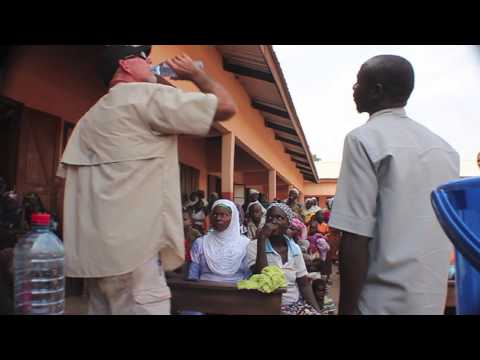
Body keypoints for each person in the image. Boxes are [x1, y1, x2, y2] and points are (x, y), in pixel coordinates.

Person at [56, 45, 237, 315]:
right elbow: (226, 107)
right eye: (143, 57)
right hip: (135, 260)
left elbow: (64, 187)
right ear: (126, 65)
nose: (150, 61)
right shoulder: (146, 97)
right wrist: (195, 75)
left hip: (96, 265)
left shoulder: (89, 118)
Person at [329, 54, 460, 315]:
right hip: (430, 301)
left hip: (379, 302)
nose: (354, 90)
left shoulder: (363, 139)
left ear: (376, 91)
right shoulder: (446, 150)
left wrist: (346, 309)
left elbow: (355, 235)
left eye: (358, 83)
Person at [247, 203, 321, 315]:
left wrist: (317, 311)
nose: (273, 221)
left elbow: (304, 284)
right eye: (270, 217)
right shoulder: (254, 246)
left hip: (293, 304)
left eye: (279, 218)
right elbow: (261, 277)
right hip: (265, 304)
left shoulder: (294, 249)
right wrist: (262, 239)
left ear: (288, 223)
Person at [188, 199, 250, 282]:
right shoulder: (201, 243)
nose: (218, 218)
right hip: (204, 291)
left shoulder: (245, 244)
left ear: (233, 218)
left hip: (237, 292)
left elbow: (248, 276)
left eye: (223, 215)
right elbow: (193, 275)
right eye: (215, 214)